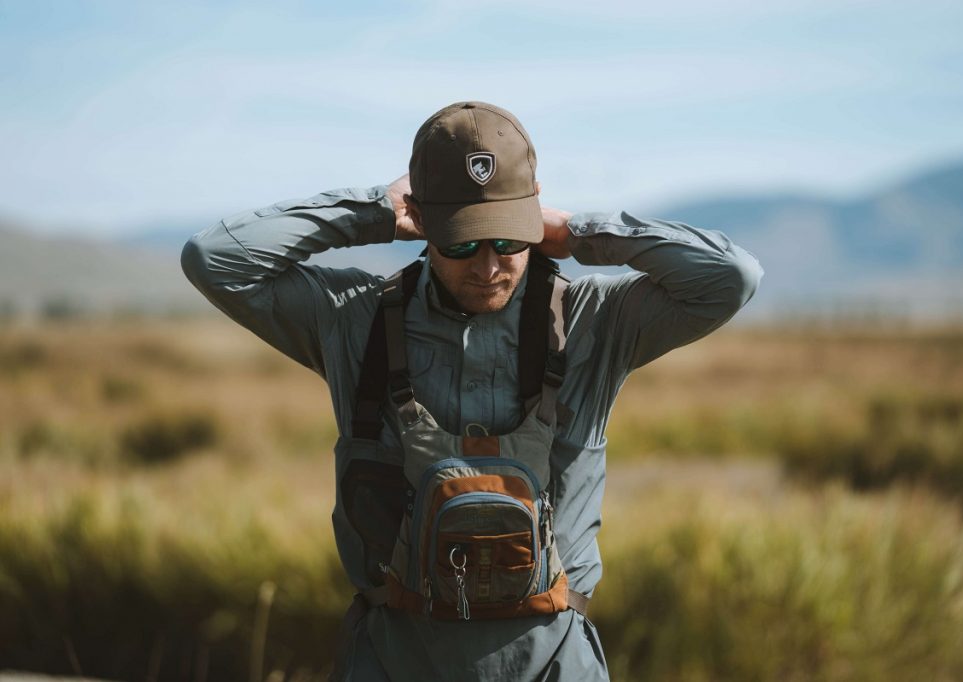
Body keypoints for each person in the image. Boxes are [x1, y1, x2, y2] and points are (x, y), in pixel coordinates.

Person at [181, 100, 763, 681]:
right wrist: (374, 211)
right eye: (461, 243)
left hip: (554, 662)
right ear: (422, 224)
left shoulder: (593, 322)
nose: (487, 267)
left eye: (508, 241)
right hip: (392, 660)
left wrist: (577, 232)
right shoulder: (353, 320)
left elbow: (730, 279)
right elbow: (216, 260)